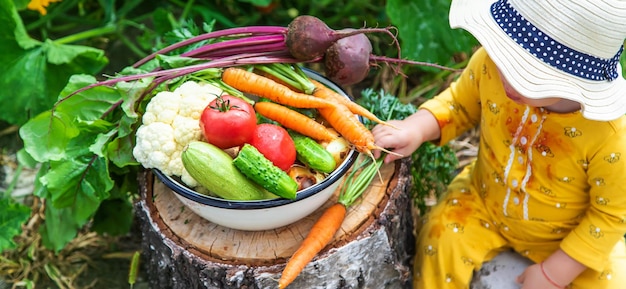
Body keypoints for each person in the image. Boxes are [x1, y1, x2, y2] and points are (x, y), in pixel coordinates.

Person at [371, 0, 626, 288]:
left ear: (576, 81)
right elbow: (458, 104)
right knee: (440, 235)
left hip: (565, 238)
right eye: (506, 57)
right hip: (484, 203)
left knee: (616, 281)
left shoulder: (609, 135)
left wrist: (555, 272)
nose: (507, 78)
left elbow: (610, 215)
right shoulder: (489, 64)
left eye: (529, 76)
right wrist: (416, 128)